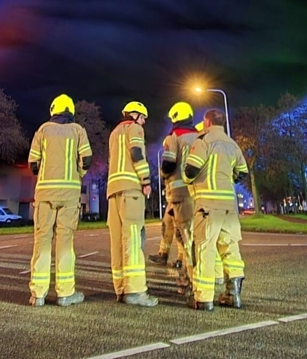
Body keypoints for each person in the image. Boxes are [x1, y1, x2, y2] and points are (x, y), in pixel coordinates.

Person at [27, 94, 92, 307]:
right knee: (65, 242)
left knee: (42, 241)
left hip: (45, 193)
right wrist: (78, 174)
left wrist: (44, 176)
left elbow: (33, 162)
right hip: (70, 193)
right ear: (71, 110)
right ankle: (65, 294)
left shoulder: (43, 130)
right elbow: (87, 159)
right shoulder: (78, 130)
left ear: (53, 110)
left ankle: (38, 294)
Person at [184, 108, 249, 311]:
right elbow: (243, 173)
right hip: (229, 206)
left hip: (208, 205)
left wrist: (189, 180)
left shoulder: (203, 141)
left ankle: (203, 299)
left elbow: (191, 170)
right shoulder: (232, 144)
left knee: (205, 248)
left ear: (207, 121)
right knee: (230, 247)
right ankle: (233, 295)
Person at [106, 101, 158, 307]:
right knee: (134, 239)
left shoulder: (114, 133)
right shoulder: (134, 128)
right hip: (131, 190)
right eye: (143, 117)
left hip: (113, 192)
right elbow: (137, 153)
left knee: (117, 242)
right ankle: (136, 291)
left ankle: (121, 288)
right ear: (135, 115)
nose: (144, 122)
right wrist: (146, 181)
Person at [149, 102, 199, 293]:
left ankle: (189, 277)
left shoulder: (174, 137)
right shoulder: (200, 137)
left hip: (179, 192)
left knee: (185, 235)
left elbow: (169, 164)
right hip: (195, 192)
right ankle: (165, 254)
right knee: (169, 223)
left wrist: (162, 174)